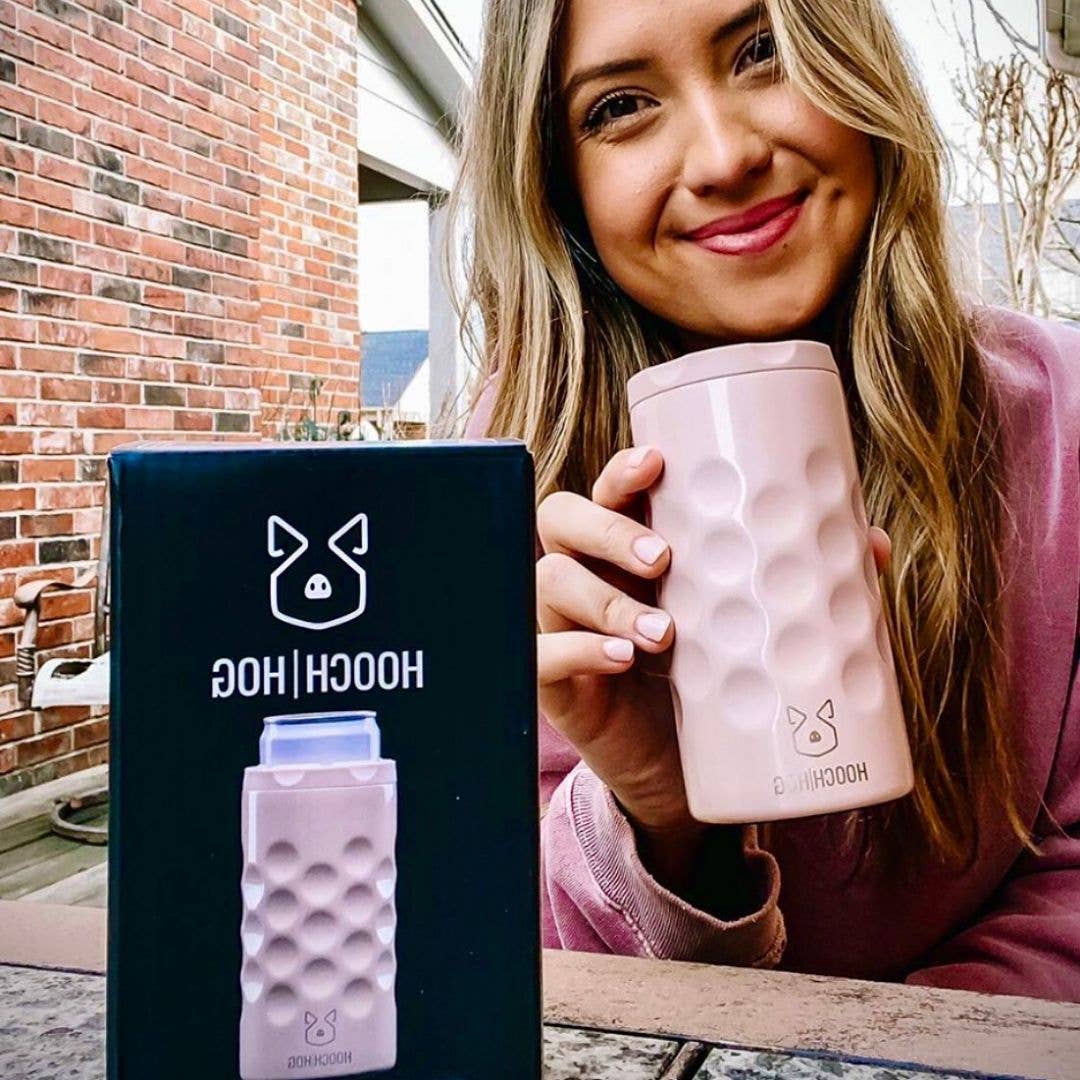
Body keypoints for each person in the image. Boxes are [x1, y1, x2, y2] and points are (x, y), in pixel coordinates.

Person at [449, 0, 1080, 1001]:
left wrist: (852, 1057)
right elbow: (482, 958)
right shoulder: (509, 477)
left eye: (763, 51)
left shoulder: (1059, 414)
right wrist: (657, 820)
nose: (723, 155)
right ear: (559, 186)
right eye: (619, 106)